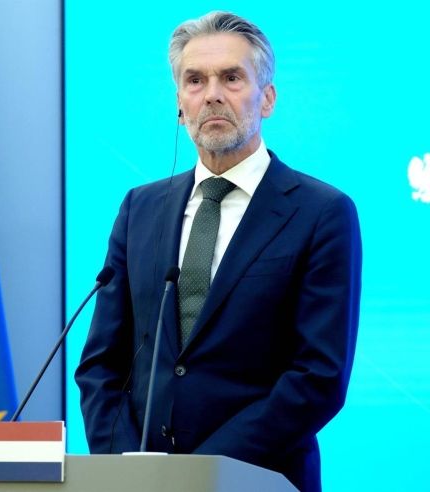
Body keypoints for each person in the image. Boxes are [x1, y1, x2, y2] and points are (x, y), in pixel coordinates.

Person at [75, 10, 362, 492]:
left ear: (267, 98)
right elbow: (101, 366)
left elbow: (318, 377)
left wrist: (200, 475)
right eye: (195, 80)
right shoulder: (139, 208)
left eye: (231, 77)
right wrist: (125, 469)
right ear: (179, 103)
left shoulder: (321, 212)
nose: (211, 94)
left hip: (260, 479)